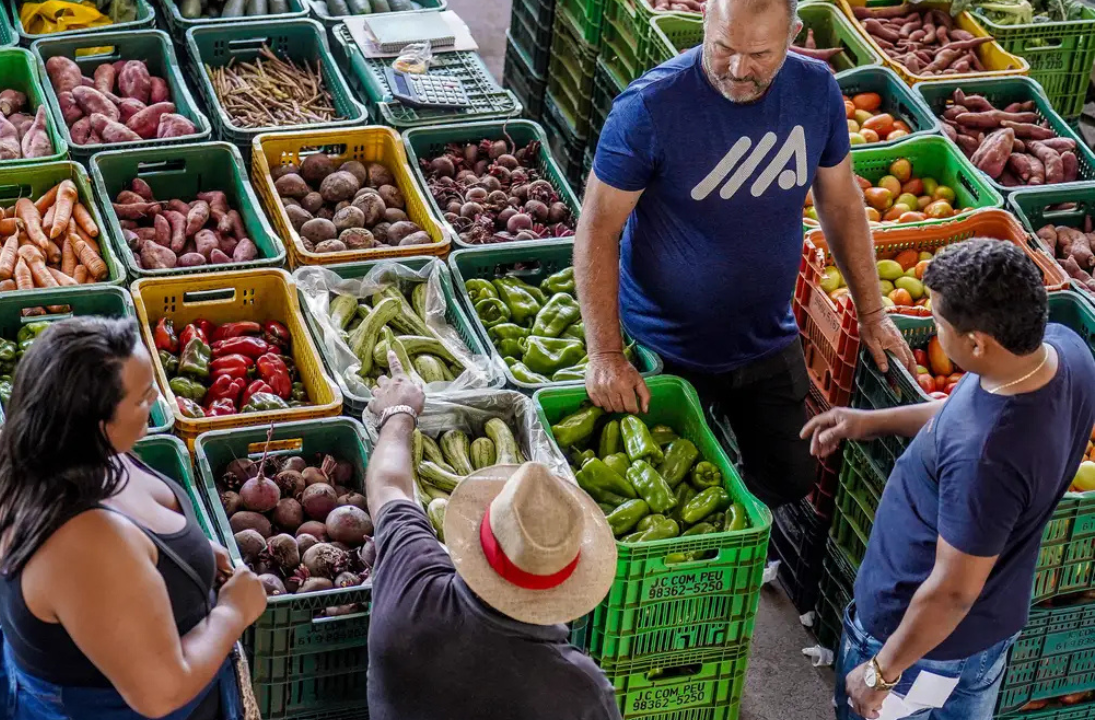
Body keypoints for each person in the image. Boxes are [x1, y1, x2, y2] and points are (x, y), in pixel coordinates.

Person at [575, 0, 913, 508]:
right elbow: (597, 229)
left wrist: (871, 311)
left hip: (764, 337)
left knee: (792, 476)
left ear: (793, 33)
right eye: (723, 48)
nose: (737, 69)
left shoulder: (815, 91)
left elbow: (841, 202)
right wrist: (604, 354)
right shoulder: (649, 108)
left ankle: (756, 549)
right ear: (705, 22)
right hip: (663, 344)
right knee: (660, 492)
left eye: (759, 54)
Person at [801, 240, 1095, 719]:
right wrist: (871, 421)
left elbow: (953, 591)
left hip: (920, 646)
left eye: (938, 324)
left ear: (977, 341)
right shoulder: (1063, 351)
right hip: (987, 629)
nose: (935, 333)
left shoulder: (990, 460)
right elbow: (962, 411)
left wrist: (880, 673)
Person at [0, 317, 269, 720]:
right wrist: (233, 611)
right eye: (143, 398)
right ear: (98, 423)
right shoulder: (85, 544)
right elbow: (161, 693)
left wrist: (189, 553)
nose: (158, 399)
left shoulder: (47, 452)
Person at [364, 351, 621, 720]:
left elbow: (390, 487)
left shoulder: (410, 594)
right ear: (567, 580)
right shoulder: (579, 690)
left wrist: (399, 413)